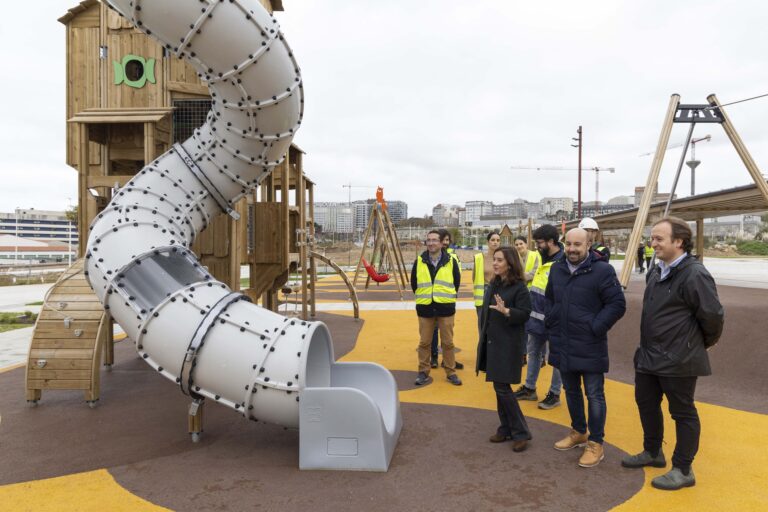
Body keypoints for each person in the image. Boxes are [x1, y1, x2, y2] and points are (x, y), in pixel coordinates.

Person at [622, 217, 724, 490]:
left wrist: (702, 343)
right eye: (652, 238)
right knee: (646, 403)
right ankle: (653, 452)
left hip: (679, 358)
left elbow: (712, 316)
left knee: (683, 413)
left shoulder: (694, 274)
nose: (652, 243)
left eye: (658, 239)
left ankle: (682, 468)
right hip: (649, 355)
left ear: (678, 242)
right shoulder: (657, 270)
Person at [546, 228, 626, 468]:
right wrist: (552, 318)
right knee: (570, 391)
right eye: (568, 244)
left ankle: (596, 443)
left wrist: (595, 327)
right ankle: (578, 431)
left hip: (590, 342)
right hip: (563, 341)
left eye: (577, 245)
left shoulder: (603, 271)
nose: (571, 249)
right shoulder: (557, 269)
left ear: (589, 245)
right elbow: (550, 298)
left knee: (594, 394)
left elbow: (617, 304)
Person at [476, 247, 532, 452]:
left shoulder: (519, 287)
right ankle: (507, 427)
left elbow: (526, 313)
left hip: (508, 344)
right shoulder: (495, 283)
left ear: (510, 263)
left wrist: (507, 311)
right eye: (494, 259)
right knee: (499, 387)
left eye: (500, 260)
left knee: (502, 388)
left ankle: (520, 431)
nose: (495, 263)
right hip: (493, 342)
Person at [515, 224, 564, 410]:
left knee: (556, 357)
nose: (537, 246)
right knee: (533, 351)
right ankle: (529, 388)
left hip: (555, 320)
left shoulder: (563, 263)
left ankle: (555, 393)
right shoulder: (544, 259)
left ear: (551, 242)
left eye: (540, 242)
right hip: (536, 318)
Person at [412, 230, 462, 386]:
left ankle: (450, 372)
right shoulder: (419, 261)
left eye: (434, 240)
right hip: (425, 308)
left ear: (441, 243)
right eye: (428, 240)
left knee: (448, 343)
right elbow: (414, 284)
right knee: (424, 343)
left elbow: (456, 283)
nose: (431, 243)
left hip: (445, 308)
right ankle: (423, 372)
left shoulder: (451, 261)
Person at [430, 229, 464, 370]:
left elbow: (457, 278)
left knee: (447, 334)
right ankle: (433, 358)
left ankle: (447, 360)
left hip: (446, 302)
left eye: (447, 240)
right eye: (443, 240)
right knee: (432, 331)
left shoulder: (452, 258)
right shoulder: (429, 258)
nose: (445, 243)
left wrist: (451, 294)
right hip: (431, 301)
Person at [472, 231, 502, 330]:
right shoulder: (479, 258)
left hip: (500, 292)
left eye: (498, 240)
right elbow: (474, 277)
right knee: (483, 324)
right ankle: (482, 345)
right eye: (493, 240)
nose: (495, 242)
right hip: (483, 294)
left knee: (498, 324)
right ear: (488, 242)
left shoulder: (504, 258)